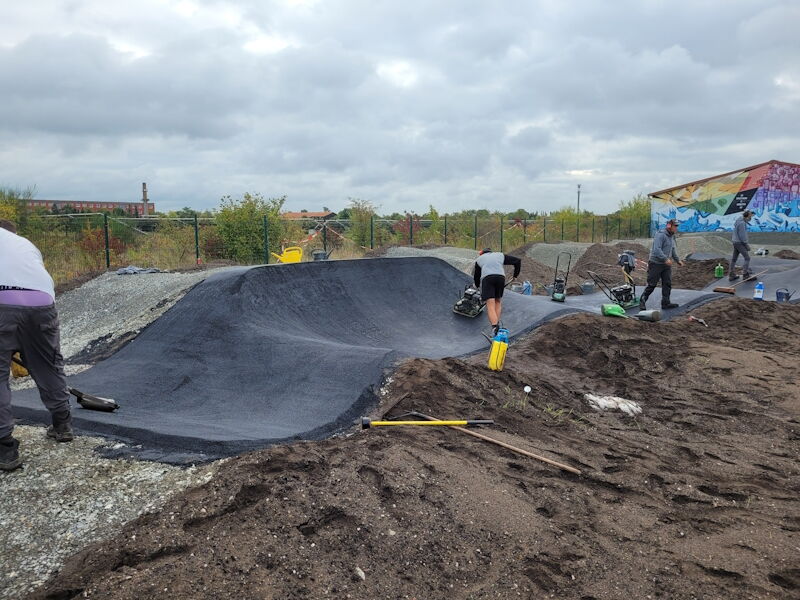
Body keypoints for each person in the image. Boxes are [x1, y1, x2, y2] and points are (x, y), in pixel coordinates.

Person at [0, 219, 73, 472]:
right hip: (42, 303)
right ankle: (62, 424)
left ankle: (5, 447)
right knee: (49, 366)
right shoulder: (25, 244)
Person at [473, 248, 521, 336]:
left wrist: (476, 285)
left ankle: (495, 328)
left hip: (487, 279)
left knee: (490, 304)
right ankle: (497, 327)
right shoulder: (499, 255)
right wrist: (515, 275)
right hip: (500, 278)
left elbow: (477, 275)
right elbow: (517, 261)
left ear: (482, 254)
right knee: (497, 301)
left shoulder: (479, 259)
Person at [639, 218, 684, 311]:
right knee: (652, 284)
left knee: (667, 283)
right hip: (655, 263)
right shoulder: (661, 235)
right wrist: (665, 259)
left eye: (677, 226)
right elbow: (657, 250)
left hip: (666, 265)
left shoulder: (671, 236)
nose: (676, 228)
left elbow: (672, 249)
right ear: (669, 226)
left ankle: (666, 303)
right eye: (675, 226)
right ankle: (642, 301)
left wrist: (677, 260)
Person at [728, 210, 753, 281]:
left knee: (734, 259)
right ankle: (745, 275)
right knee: (747, 258)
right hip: (739, 242)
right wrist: (746, 244)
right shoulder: (742, 223)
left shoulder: (738, 221)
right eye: (750, 217)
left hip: (735, 241)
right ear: (747, 216)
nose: (750, 218)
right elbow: (742, 235)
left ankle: (731, 274)